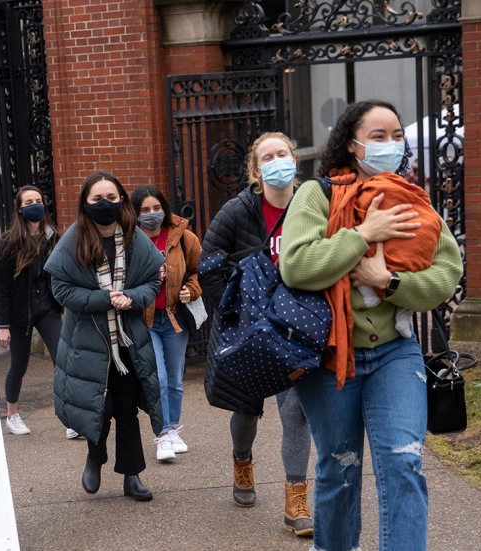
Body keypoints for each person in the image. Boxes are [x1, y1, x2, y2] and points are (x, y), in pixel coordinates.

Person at [278, 100, 463, 551]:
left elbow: (447, 272)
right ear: (351, 144)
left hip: (395, 354)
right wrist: (363, 234)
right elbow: (296, 265)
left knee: (404, 463)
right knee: (339, 470)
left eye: (397, 135)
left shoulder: (411, 197)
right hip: (328, 357)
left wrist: (389, 281)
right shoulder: (315, 196)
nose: (391, 144)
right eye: (378, 136)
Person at [199, 131, 314, 536]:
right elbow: (208, 267)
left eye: (283, 153)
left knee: (295, 412)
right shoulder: (237, 212)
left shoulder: (312, 204)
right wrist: (236, 313)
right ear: (256, 168)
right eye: (268, 156)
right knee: (246, 410)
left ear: (295, 161)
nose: (277, 160)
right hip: (249, 331)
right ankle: (242, 460)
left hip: (296, 330)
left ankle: (296, 500)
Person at [44, 170, 165, 502]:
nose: (105, 204)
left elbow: (154, 281)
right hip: (88, 343)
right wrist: (102, 299)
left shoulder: (134, 237)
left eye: (112, 198)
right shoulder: (73, 239)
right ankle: (95, 457)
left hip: (127, 342)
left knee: (126, 409)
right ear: (85, 203)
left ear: (122, 200)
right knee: (100, 405)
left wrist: (133, 298)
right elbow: (60, 289)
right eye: (97, 199)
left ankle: (132, 475)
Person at [130, 184, 201, 463]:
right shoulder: (130, 242)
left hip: (174, 318)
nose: (152, 214)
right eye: (145, 210)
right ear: (135, 214)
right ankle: (161, 435)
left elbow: (197, 272)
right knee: (157, 378)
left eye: (156, 208)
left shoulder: (184, 238)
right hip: (145, 321)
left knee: (174, 379)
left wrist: (191, 290)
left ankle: (173, 429)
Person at [0, 185, 67, 437]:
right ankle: (12, 414)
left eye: (38, 199)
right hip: (18, 313)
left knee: (63, 359)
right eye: (29, 201)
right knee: (19, 365)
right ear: (20, 209)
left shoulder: (53, 237)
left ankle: (69, 416)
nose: (35, 204)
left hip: (47, 308)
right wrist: (2, 325)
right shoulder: (9, 242)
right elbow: (1, 287)